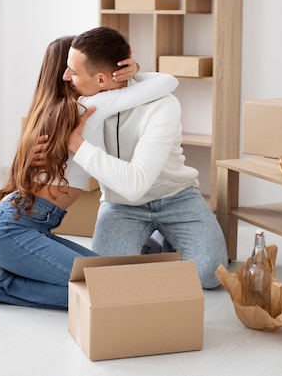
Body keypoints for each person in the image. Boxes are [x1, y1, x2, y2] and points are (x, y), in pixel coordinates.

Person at [0, 35, 178, 309]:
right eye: (73, 67)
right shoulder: (87, 107)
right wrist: (133, 69)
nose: (72, 72)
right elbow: (167, 83)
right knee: (108, 291)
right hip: (10, 230)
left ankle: (10, 272)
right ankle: (2, 283)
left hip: (21, 226)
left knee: (108, 278)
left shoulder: (55, 110)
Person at [64, 26, 228, 289]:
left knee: (210, 274)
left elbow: (135, 183)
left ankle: (163, 242)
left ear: (103, 80)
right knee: (108, 279)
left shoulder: (163, 105)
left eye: (73, 71)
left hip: (176, 198)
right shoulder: (80, 102)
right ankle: (155, 246)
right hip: (120, 206)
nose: (66, 76)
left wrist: (78, 145)